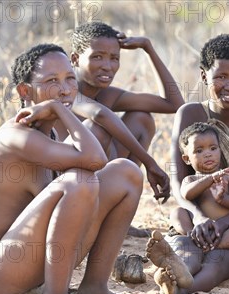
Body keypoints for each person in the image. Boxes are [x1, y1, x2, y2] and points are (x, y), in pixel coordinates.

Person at [0, 44, 144, 294]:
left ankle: (94, 287)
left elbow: (99, 162)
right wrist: (62, 111)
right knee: (80, 181)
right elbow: (94, 160)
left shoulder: (51, 135)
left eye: (70, 78)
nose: (65, 89)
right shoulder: (16, 135)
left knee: (126, 173)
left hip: (27, 259)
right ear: (25, 92)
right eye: (51, 81)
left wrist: (59, 111)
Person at [146, 34, 229, 294]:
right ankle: (176, 270)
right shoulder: (190, 113)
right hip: (197, 221)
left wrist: (223, 224)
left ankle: (182, 288)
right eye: (220, 77)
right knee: (185, 246)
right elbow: (179, 182)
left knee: (220, 258)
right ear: (204, 76)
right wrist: (200, 218)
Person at [69, 22, 185, 226]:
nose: (107, 66)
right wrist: (150, 163)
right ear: (75, 58)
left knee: (142, 119)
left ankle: (117, 219)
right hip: (65, 189)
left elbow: (174, 104)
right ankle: (88, 221)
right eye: (97, 56)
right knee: (96, 129)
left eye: (114, 58)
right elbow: (99, 114)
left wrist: (148, 48)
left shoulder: (108, 95)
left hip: (101, 181)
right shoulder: (66, 90)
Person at [176, 121, 229, 250]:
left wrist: (223, 199)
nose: (208, 154)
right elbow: (187, 194)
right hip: (199, 227)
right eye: (199, 150)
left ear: (220, 150)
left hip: (225, 229)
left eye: (213, 148)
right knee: (177, 213)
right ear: (187, 159)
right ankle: (193, 238)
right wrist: (211, 178)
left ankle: (215, 247)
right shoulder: (191, 179)